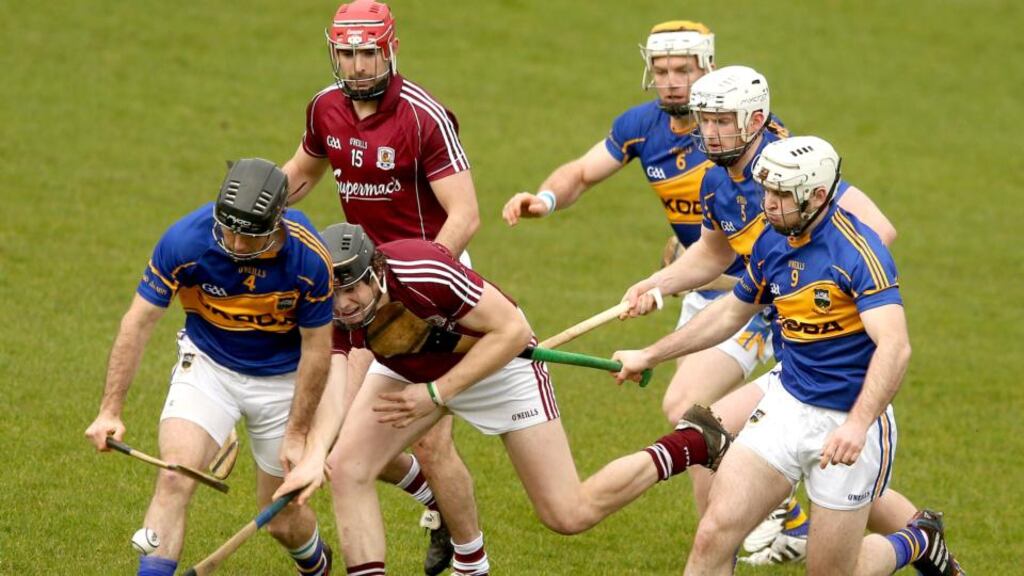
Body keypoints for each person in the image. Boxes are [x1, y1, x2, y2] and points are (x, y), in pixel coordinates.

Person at [500, 22, 808, 559]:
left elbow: (781, 244)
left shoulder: (753, 142)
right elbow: (582, 172)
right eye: (662, 70)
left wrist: (690, 276)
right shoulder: (644, 127)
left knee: (689, 406)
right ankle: (737, 537)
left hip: (756, 298)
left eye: (682, 70)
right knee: (703, 417)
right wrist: (545, 200)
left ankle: (765, 514)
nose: (670, 82)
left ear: (707, 69)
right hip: (700, 282)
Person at [274, 223, 734, 576]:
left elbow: (511, 331)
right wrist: (316, 452)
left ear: (375, 271)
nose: (343, 305)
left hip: (498, 362)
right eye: (333, 293)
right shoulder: (325, 300)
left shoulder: (422, 271)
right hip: (408, 364)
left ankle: (691, 442)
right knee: (348, 469)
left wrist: (437, 394)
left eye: (352, 289)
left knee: (568, 514)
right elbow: (334, 381)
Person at [614, 136, 965, 575]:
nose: (769, 204)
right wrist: (650, 354)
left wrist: (858, 425)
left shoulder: (859, 255)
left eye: (782, 195)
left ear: (818, 196)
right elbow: (728, 314)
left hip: (847, 422)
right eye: (767, 191)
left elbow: (895, 347)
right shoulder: (771, 241)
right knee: (712, 536)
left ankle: (916, 540)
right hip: (785, 405)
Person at [281, 1, 481, 572]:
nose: (358, 64)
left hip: (421, 290)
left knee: (429, 442)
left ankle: (470, 560)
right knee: (341, 428)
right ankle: (433, 505)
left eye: (368, 52)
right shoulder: (325, 108)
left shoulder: (424, 117)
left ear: (390, 50)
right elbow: (301, 172)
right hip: (355, 290)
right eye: (347, 52)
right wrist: (256, 209)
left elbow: (464, 214)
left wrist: (427, 284)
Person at [84, 159, 335, 576]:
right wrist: (110, 410)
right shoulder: (187, 240)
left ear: (278, 222)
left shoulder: (309, 258)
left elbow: (318, 350)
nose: (235, 244)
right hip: (209, 367)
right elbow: (138, 322)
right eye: (229, 229)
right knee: (175, 476)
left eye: (248, 235)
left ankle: (316, 564)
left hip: (283, 380)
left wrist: (298, 433)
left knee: (281, 521)